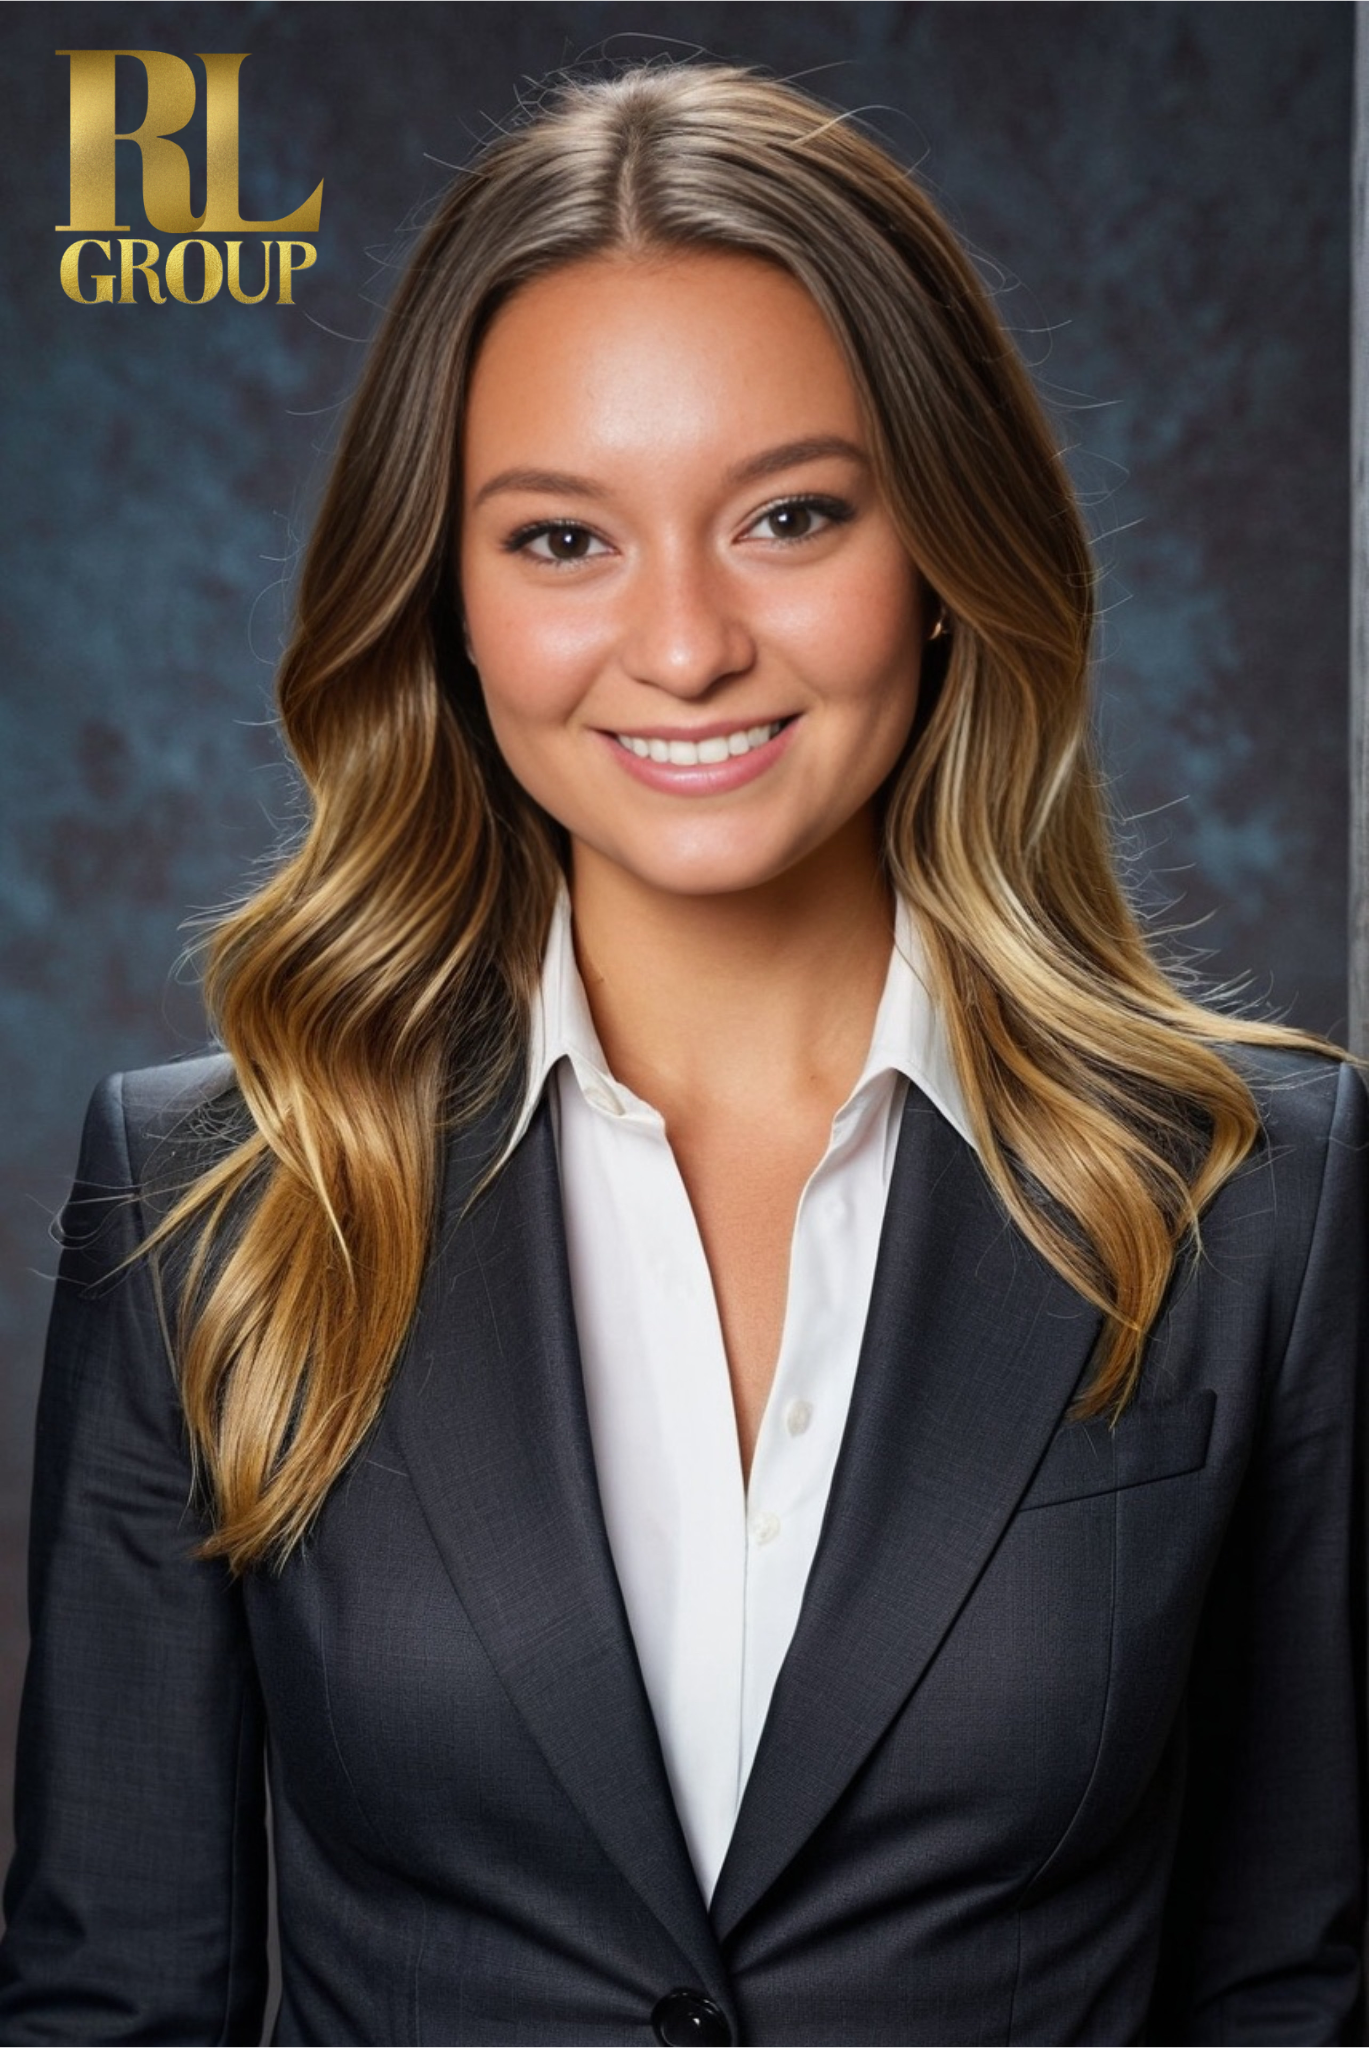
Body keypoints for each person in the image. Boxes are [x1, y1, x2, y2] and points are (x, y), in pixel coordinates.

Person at [1, 57, 1364, 2048]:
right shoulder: (217, 1198)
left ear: (946, 554)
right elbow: (112, 2001)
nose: (691, 640)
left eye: (791, 515)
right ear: (446, 599)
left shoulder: (1269, 1196)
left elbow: (1295, 1985)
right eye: (564, 540)